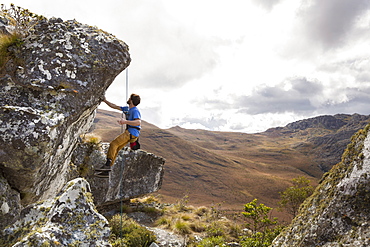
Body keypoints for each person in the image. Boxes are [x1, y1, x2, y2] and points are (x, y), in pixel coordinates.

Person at [95, 93, 141, 177]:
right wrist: (105, 101)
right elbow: (114, 106)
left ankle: (107, 165)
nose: (128, 99)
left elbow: (138, 122)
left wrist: (125, 122)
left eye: (130, 98)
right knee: (117, 148)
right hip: (132, 134)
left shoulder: (135, 110)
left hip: (131, 132)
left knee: (113, 144)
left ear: (131, 100)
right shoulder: (127, 109)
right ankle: (107, 170)